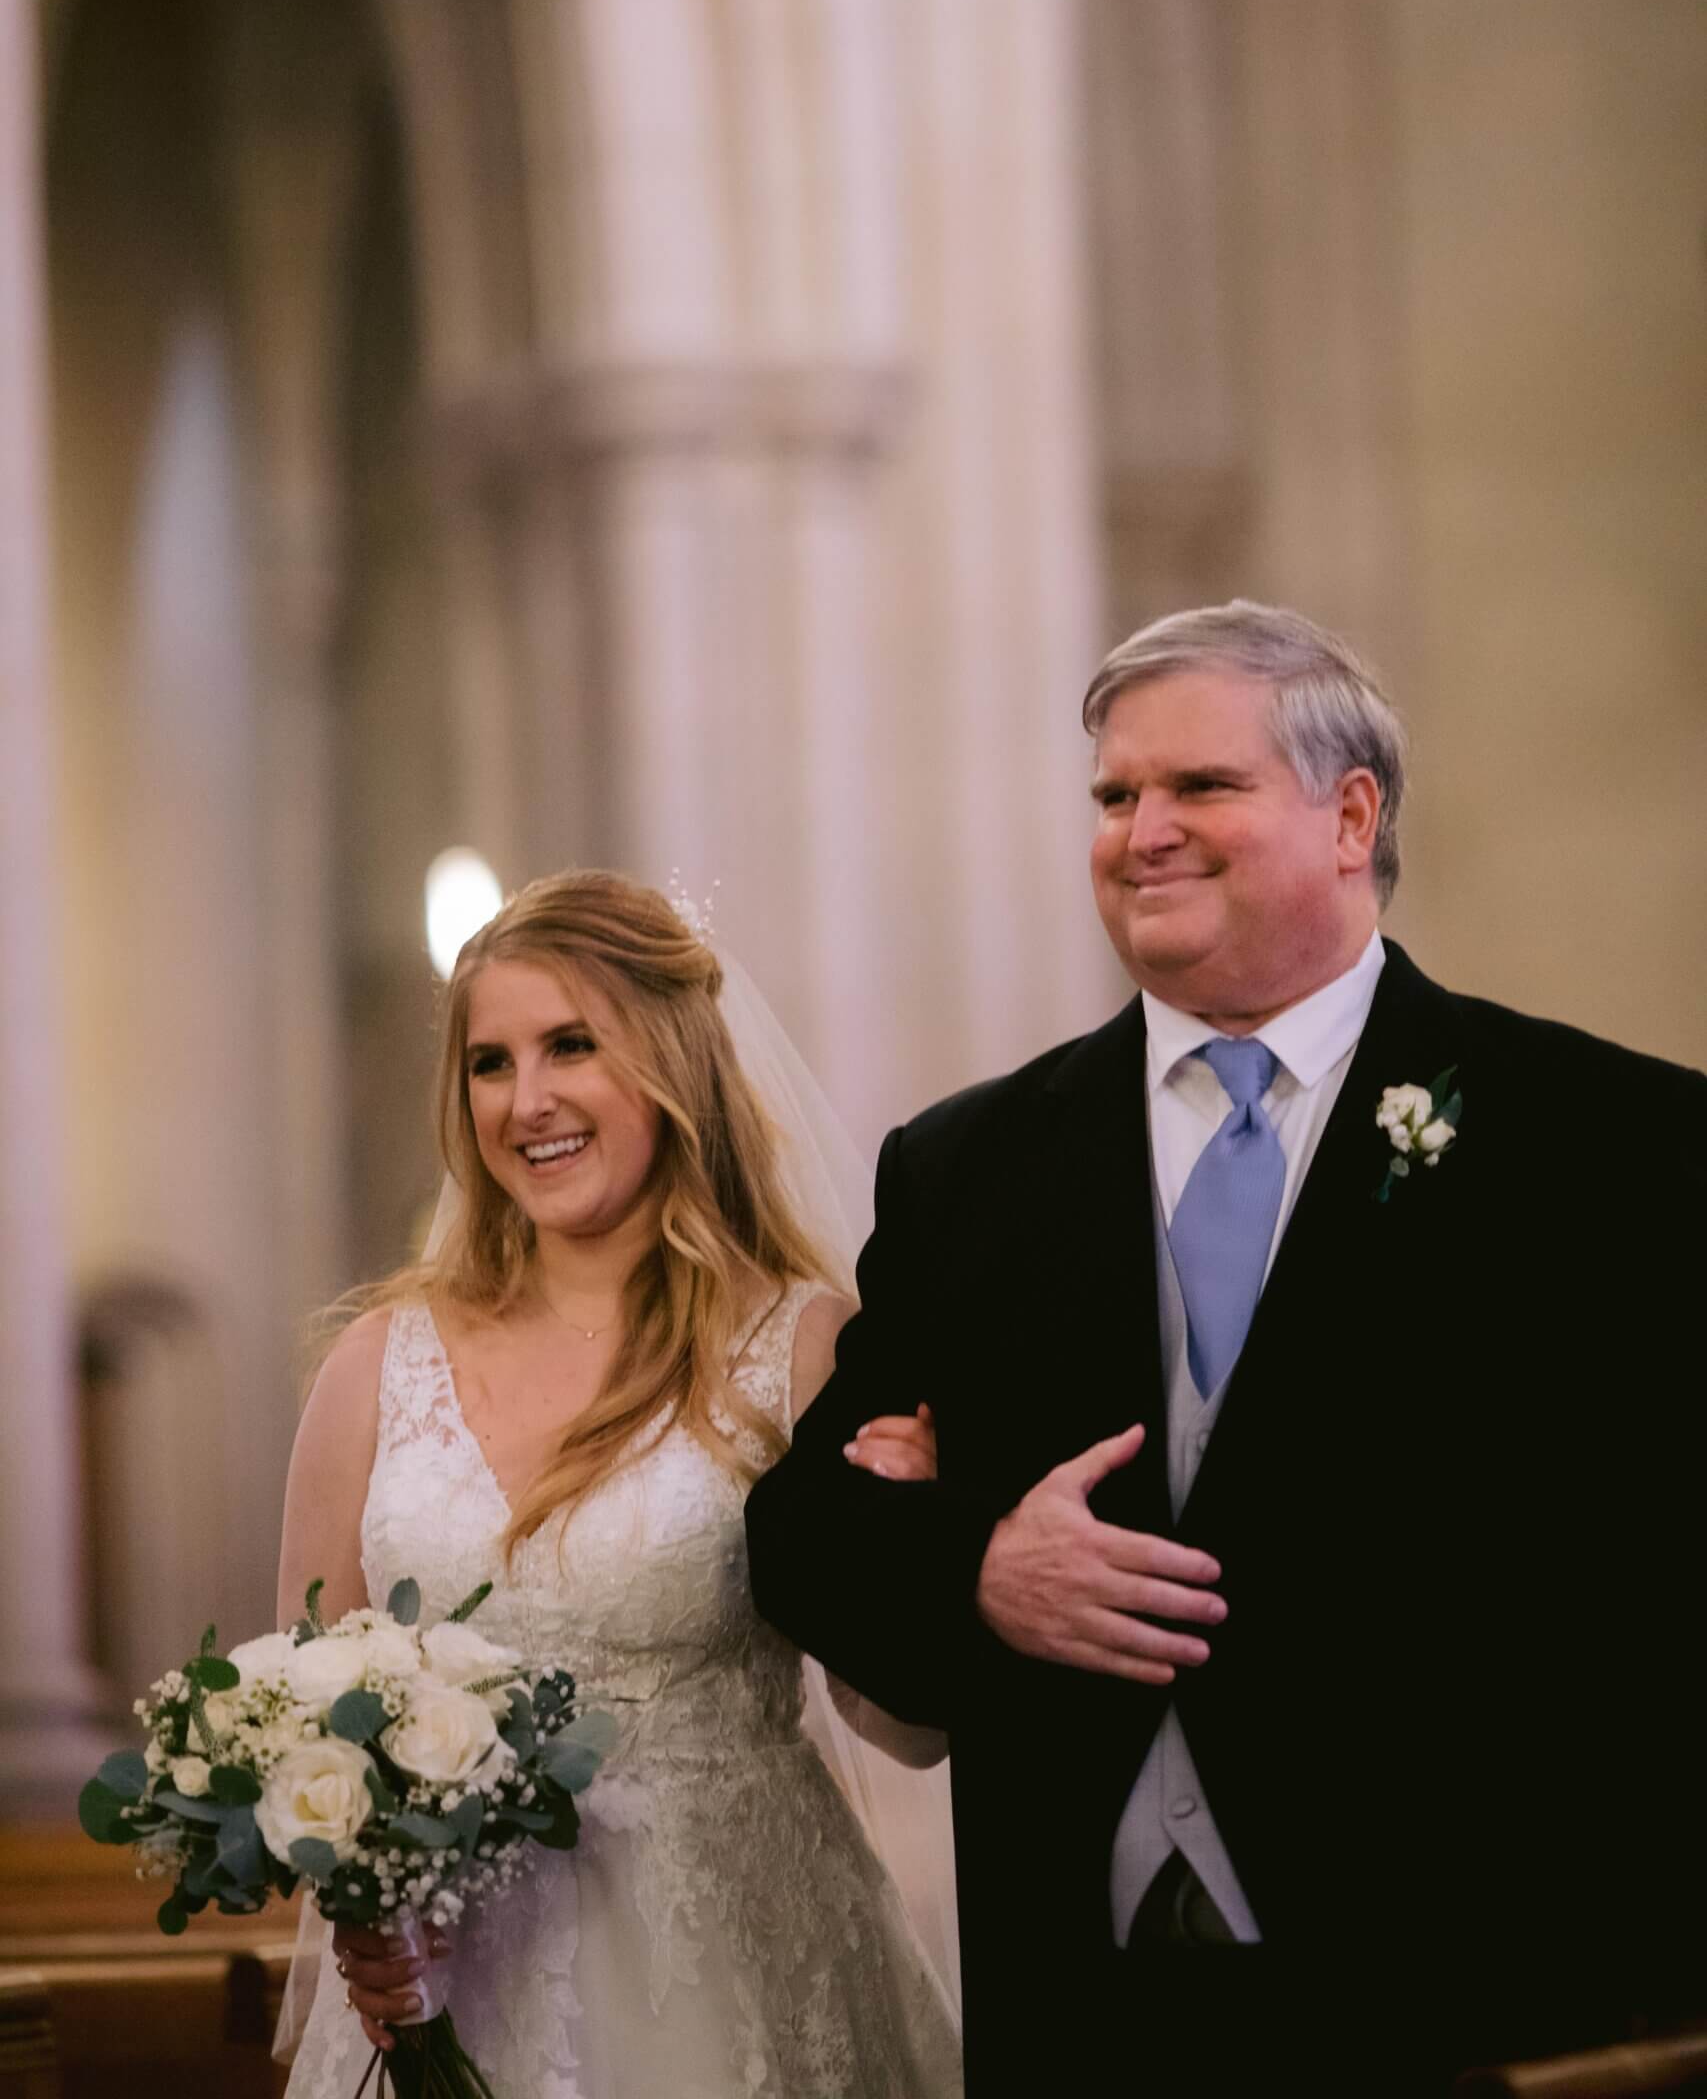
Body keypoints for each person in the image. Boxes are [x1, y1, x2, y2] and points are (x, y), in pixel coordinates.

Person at [746, 599, 1707, 2097]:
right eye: (1113, 795)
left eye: (1197, 787)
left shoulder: (1609, 1143)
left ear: (1349, 816)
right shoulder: (969, 1166)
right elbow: (799, 1530)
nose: (1141, 830)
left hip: (1468, 1988)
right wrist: (976, 1573)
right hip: (1087, 2000)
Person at [277, 868, 961, 2099]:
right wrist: (366, 1916)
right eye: (490, 1061)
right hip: (456, 1984)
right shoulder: (378, 1364)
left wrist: (920, 1538)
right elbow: (296, 1716)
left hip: (733, 1970)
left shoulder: (803, 1350)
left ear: (674, 1063)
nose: (526, 1100)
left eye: (571, 1045)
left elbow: (904, 1722)